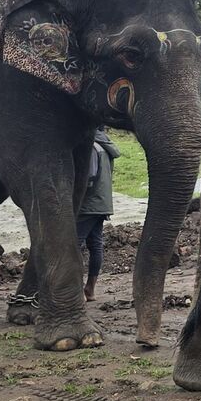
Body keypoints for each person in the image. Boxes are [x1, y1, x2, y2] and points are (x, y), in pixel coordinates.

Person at [77, 127, 119, 301]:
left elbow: (89, 178)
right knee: (95, 245)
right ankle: (90, 289)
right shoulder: (106, 147)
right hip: (102, 203)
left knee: (73, 245)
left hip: (89, 204)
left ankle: (75, 290)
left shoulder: (92, 147)